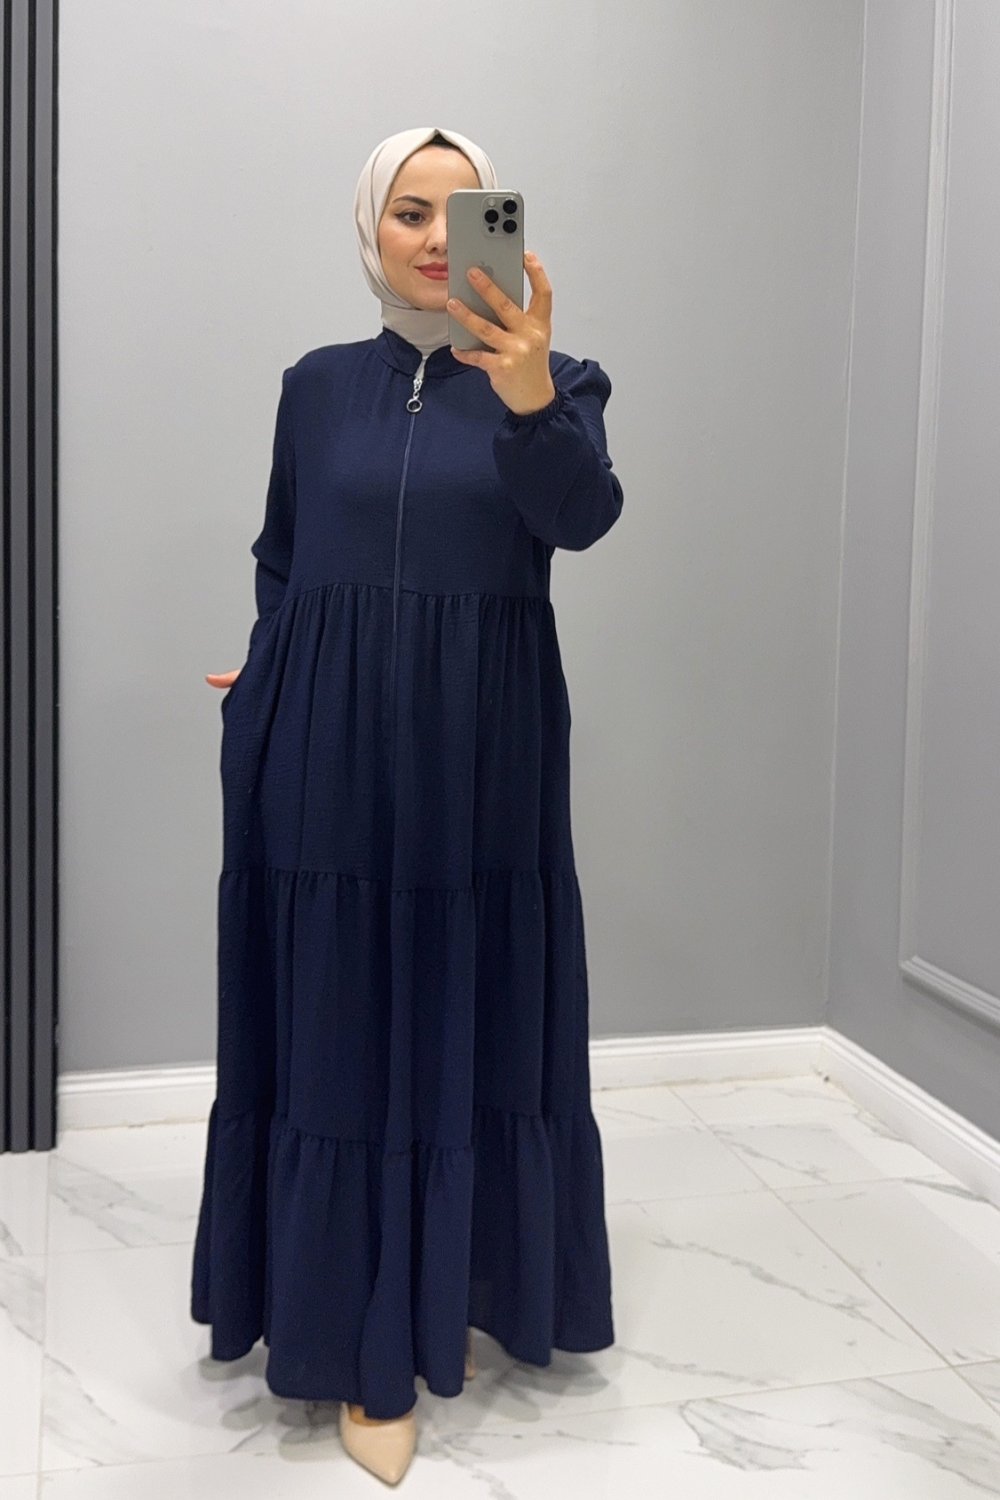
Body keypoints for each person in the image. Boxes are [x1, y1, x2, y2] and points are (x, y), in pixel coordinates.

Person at [190, 124, 623, 1484]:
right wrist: (272, 666)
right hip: (319, 749)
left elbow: (581, 519)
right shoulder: (316, 387)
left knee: (459, 1002)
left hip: (478, 758)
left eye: (465, 211)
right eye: (409, 213)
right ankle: (342, 1325)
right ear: (370, 229)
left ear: (503, 228)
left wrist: (533, 392)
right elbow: (282, 555)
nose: (438, 239)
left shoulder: (559, 382)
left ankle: (446, 1296)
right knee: (335, 1013)